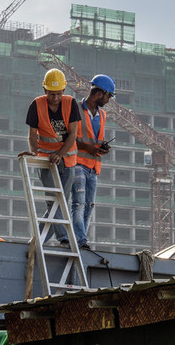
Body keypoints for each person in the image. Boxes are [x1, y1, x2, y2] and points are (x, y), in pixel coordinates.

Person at [19, 68, 80, 247]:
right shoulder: (36, 105)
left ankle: (37, 242)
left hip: (67, 159)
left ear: (64, 90)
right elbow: (32, 134)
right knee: (53, 200)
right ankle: (64, 239)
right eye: (52, 94)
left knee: (60, 203)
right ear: (45, 90)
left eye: (58, 94)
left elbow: (73, 134)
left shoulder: (71, 103)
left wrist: (60, 154)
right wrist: (34, 152)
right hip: (45, 160)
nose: (55, 98)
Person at [72, 74, 115, 250]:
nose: (109, 100)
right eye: (108, 96)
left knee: (89, 205)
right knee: (79, 203)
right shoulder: (75, 109)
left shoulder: (102, 115)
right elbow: (67, 138)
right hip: (77, 164)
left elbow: (96, 139)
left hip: (93, 167)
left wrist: (102, 147)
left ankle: (80, 239)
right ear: (99, 93)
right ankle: (80, 241)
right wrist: (87, 147)